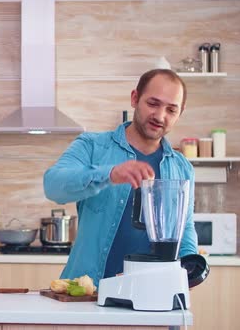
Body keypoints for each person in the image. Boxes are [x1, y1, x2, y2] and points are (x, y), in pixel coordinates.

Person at [43, 69, 198, 286]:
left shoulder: (183, 168)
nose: (160, 116)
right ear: (135, 98)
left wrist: (190, 262)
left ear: (180, 113)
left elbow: (185, 226)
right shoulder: (92, 146)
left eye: (171, 110)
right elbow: (53, 186)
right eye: (153, 103)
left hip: (153, 293)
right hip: (88, 293)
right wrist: (109, 173)